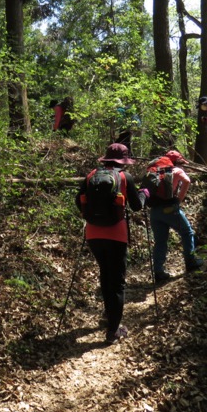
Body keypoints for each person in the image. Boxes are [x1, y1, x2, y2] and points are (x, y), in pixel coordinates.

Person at [75, 143, 148, 344]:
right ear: (123, 161)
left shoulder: (91, 176)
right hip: (116, 235)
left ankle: (110, 315)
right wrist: (144, 194)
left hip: (93, 234)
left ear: (106, 158)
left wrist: (93, 216)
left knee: (105, 274)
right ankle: (113, 331)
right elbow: (136, 206)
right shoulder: (125, 177)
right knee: (116, 282)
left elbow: (77, 200)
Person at [145, 150, 203, 283]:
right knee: (187, 232)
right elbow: (187, 181)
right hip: (170, 209)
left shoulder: (155, 170)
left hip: (155, 211)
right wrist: (179, 199)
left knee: (160, 241)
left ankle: (158, 271)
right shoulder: (176, 170)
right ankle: (191, 261)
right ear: (176, 161)